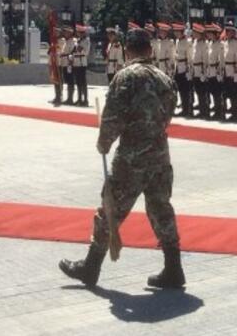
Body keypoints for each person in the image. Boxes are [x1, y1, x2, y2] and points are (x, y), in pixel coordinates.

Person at [59, 27, 184, 289]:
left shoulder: (125, 77)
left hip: (132, 158)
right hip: (160, 155)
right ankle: (174, 268)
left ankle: (91, 267)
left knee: (110, 210)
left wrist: (104, 142)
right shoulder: (165, 78)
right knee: (161, 210)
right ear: (150, 50)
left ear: (127, 51)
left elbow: (113, 117)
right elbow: (168, 116)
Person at [221, 22, 237, 122]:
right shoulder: (226, 42)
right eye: (226, 31)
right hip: (227, 69)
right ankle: (231, 113)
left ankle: (236, 114)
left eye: (229, 31)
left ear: (234, 32)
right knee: (228, 93)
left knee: (235, 94)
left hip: (234, 70)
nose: (227, 33)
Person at [172, 24, 193, 117]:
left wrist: (189, 69)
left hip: (184, 66)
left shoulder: (187, 42)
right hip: (178, 66)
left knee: (186, 90)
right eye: (175, 32)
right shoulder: (177, 41)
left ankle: (187, 109)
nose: (176, 34)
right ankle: (184, 108)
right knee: (179, 89)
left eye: (177, 32)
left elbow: (189, 56)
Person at [73, 25, 91, 107]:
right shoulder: (78, 40)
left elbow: (86, 51)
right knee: (78, 82)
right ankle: (79, 98)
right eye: (78, 33)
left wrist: (79, 47)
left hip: (82, 62)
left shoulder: (86, 40)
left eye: (79, 33)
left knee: (83, 82)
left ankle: (85, 100)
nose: (78, 34)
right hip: (76, 62)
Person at [59, 27, 76, 106]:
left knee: (70, 81)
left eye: (66, 32)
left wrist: (70, 63)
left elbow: (72, 53)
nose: (65, 33)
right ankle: (69, 98)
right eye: (64, 32)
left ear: (70, 33)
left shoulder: (72, 41)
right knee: (68, 81)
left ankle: (70, 98)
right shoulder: (66, 41)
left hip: (69, 63)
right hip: (64, 62)